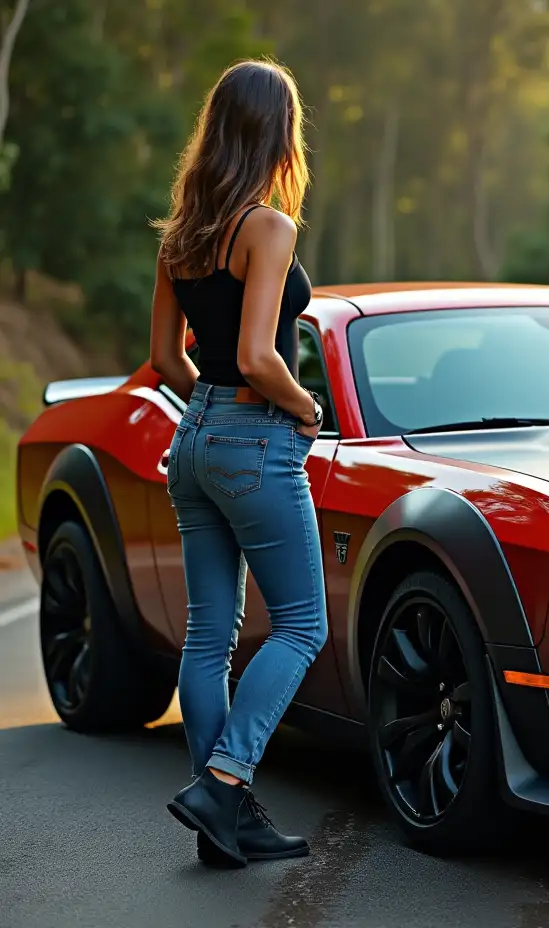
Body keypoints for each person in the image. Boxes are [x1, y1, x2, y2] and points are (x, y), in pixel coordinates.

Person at [148, 58, 327, 868]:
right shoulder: (268, 228)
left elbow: (165, 358)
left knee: (208, 637)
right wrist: (302, 405)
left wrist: (210, 417)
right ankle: (225, 781)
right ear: (276, 131)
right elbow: (259, 355)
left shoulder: (183, 232)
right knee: (301, 624)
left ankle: (221, 817)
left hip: (193, 440)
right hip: (254, 437)